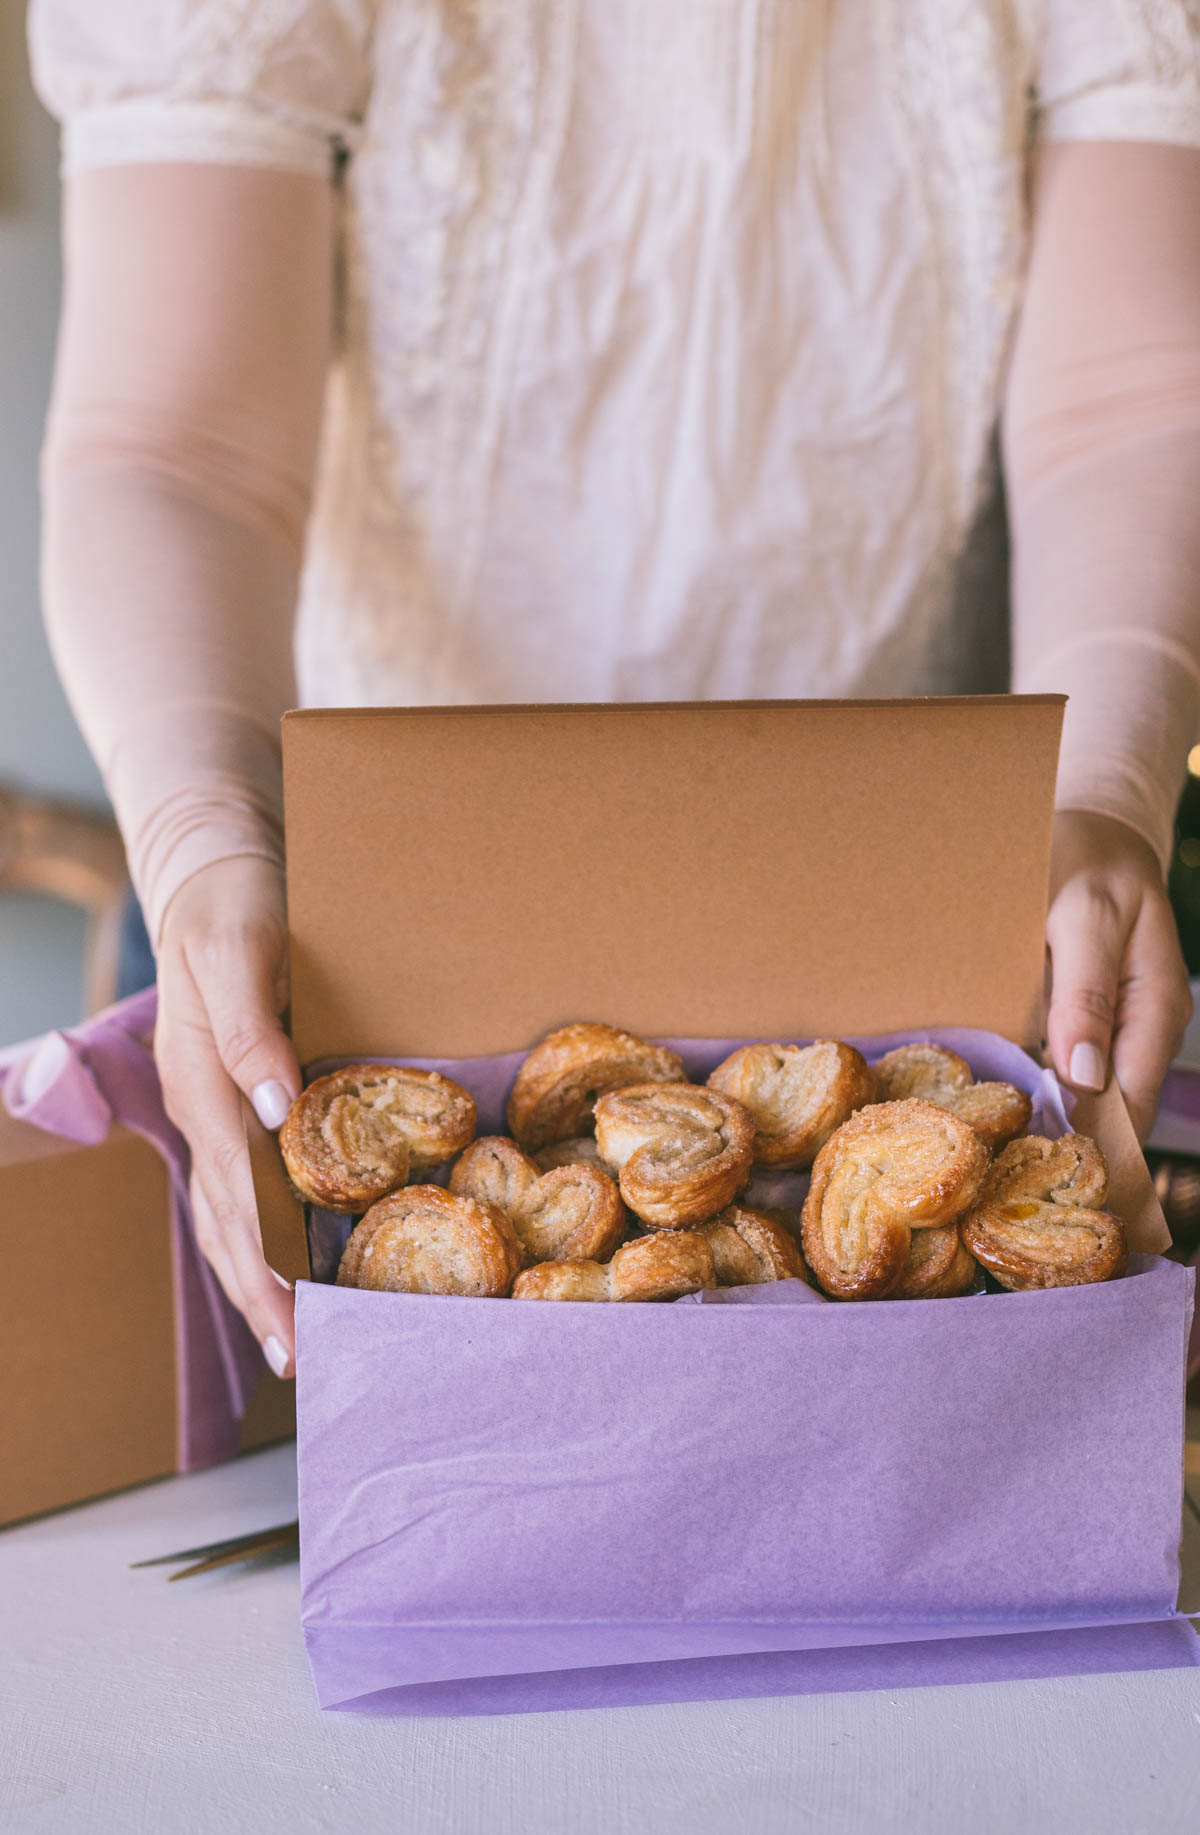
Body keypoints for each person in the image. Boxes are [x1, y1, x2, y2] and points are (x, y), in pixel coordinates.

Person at [28, 2, 1200, 1378]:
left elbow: (1127, 406)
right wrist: (199, 837)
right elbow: (180, 448)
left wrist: (1106, 795)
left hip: (899, 907)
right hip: (355, 929)